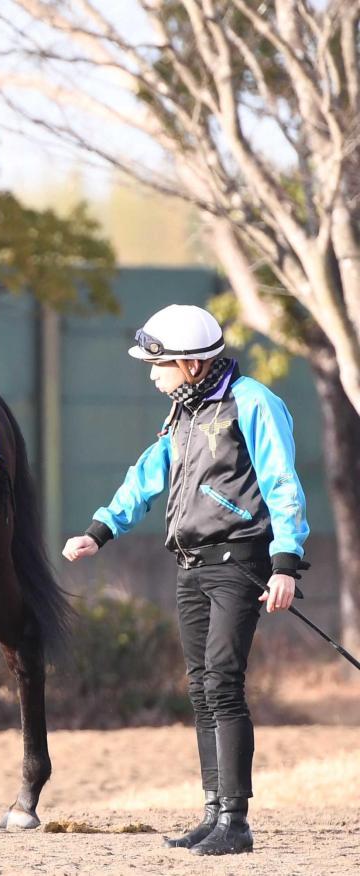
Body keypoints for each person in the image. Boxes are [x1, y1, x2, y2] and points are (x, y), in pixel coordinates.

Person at [61, 304, 309, 856]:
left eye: (160, 364)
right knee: (200, 688)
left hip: (240, 564)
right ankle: (212, 813)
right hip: (190, 566)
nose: (153, 375)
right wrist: (100, 530)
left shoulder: (253, 403)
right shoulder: (184, 412)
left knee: (222, 683)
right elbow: (149, 473)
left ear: (193, 365)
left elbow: (282, 483)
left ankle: (236, 822)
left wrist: (286, 563)